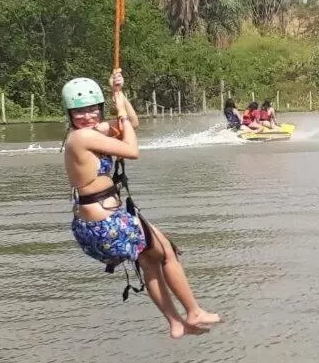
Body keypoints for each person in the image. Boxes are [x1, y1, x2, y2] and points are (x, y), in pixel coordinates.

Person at [62, 69, 220, 338]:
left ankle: (176, 323)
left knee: (150, 260)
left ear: (99, 108)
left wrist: (118, 94)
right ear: (69, 114)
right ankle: (193, 311)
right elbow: (132, 150)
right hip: (106, 222)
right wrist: (120, 112)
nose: (87, 116)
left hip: (99, 220)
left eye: (92, 109)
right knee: (166, 251)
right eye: (79, 112)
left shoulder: (91, 132)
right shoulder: (82, 137)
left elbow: (131, 125)